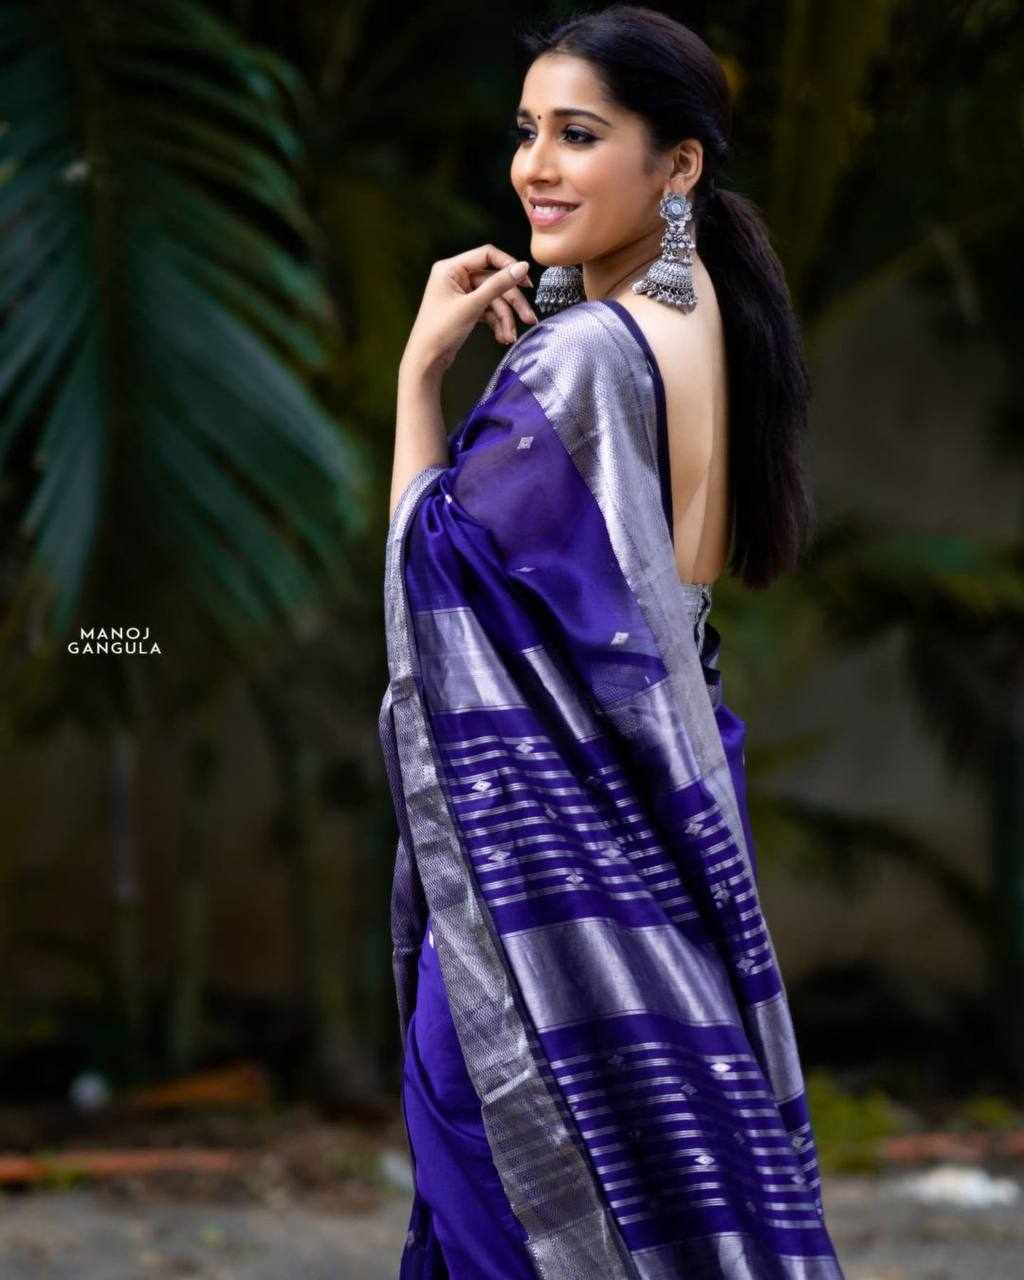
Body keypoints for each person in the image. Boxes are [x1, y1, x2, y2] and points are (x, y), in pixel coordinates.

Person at [378, 6, 845, 1277]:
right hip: (660, 827)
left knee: (515, 1210)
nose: (534, 165)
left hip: (548, 880)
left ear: (676, 164)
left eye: (578, 135)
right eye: (526, 130)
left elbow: (435, 575)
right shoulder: (696, 321)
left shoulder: (584, 354)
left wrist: (420, 376)